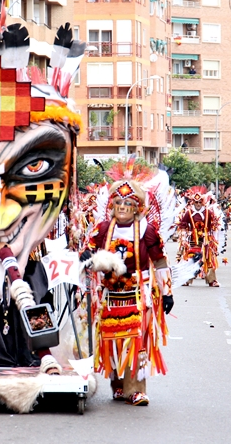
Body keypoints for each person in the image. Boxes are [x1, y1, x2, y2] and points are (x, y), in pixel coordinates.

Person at [86, 171, 175, 406]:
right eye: (118, 202)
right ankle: (118, 385)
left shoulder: (147, 230)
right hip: (110, 293)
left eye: (128, 203)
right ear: (112, 205)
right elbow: (89, 254)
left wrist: (167, 293)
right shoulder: (103, 229)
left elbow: (160, 262)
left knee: (137, 340)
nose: (122, 207)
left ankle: (135, 389)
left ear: (138, 207)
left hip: (139, 292)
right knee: (112, 339)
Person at [177, 187, 221, 287]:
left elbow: (213, 226)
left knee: (208, 259)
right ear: (193, 202)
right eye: (196, 202)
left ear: (202, 202)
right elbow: (182, 225)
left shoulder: (208, 213)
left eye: (199, 202)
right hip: (193, 239)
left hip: (206, 239)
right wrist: (184, 237)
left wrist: (213, 239)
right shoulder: (188, 212)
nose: (197, 204)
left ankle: (212, 280)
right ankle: (186, 279)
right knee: (191, 258)